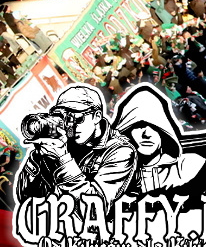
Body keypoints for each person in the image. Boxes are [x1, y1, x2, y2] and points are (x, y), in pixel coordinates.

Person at [111, 84, 206, 205]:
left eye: (153, 125)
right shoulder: (113, 173)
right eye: (139, 126)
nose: (147, 133)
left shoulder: (183, 166)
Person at [15, 84, 136, 215]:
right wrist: (38, 159)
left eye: (77, 118)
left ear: (97, 116)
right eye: (64, 119)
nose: (70, 125)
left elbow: (94, 210)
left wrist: (63, 160)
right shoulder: (62, 141)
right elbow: (26, 199)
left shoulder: (120, 151)